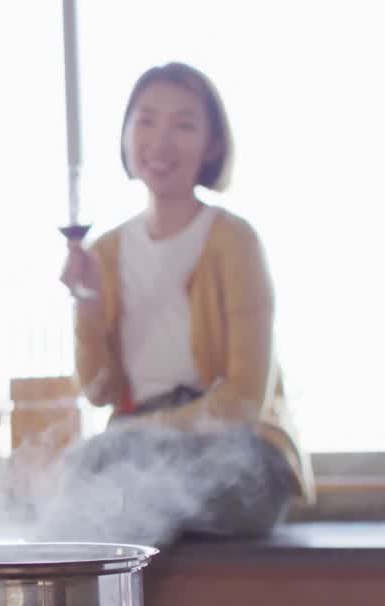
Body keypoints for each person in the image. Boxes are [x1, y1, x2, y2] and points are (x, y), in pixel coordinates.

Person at [56, 62, 313, 545]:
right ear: (126, 133)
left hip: (238, 450)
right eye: (146, 120)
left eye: (184, 124)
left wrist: (137, 435)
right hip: (138, 454)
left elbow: (240, 403)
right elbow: (97, 391)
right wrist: (87, 304)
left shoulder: (234, 241)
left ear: (213, 144)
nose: (161, 141)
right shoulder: (107, 251)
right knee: (91, 480)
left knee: (133, 490)